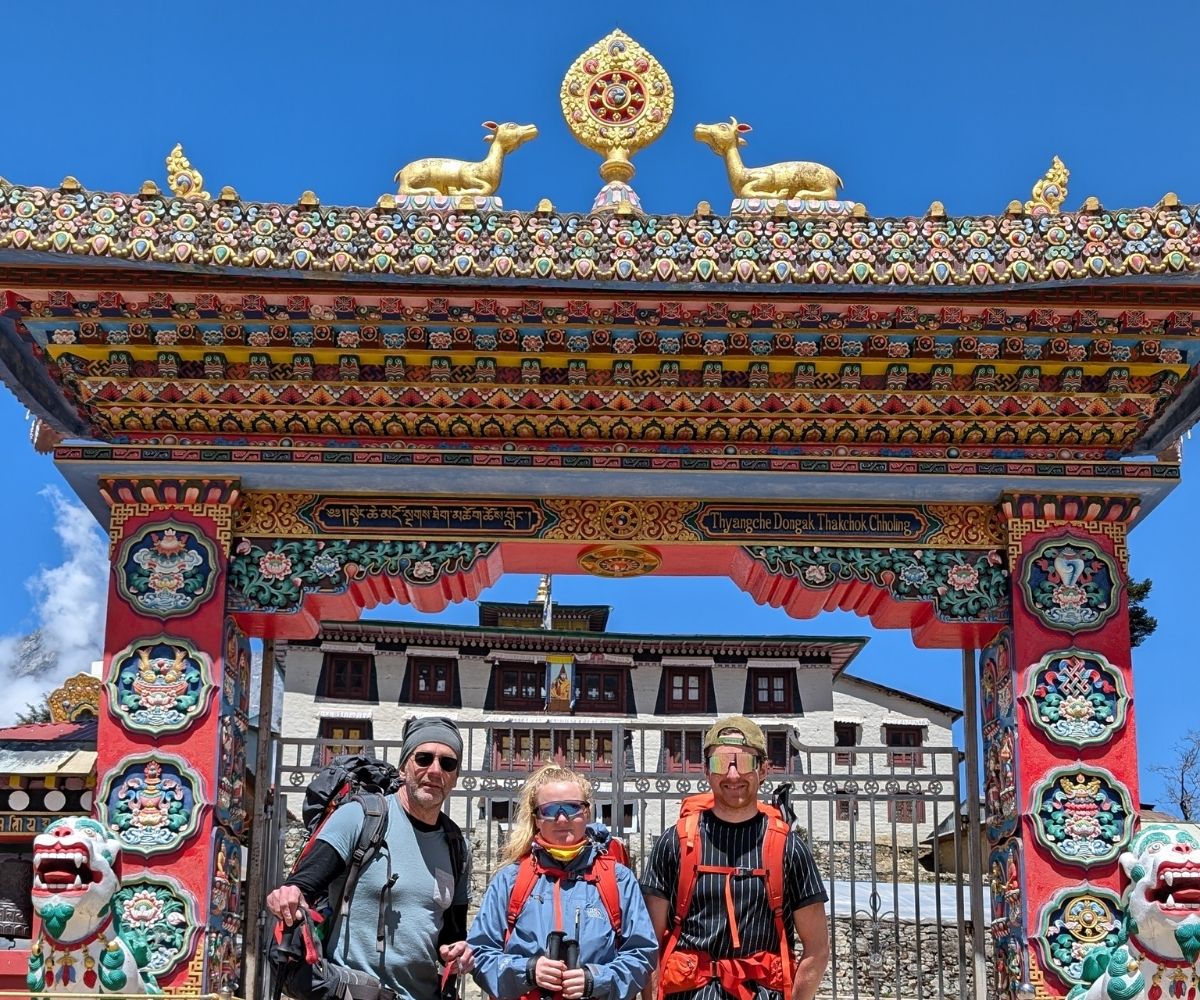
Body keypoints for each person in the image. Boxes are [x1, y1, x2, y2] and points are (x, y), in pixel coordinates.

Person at [266, 717, 473, 1000]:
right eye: (424, 758)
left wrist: (458, 951)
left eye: (447, 763)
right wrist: (288, 895)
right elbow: (302, 885)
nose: (435, 770)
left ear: (456, 775)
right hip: (355, 992)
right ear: (404, 767)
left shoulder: (455, 846)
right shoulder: (361, 817)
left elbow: (452, 936)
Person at [642, 716, 829, 1000]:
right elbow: (648, 943)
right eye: (720, 764)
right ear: (706, 771)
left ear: (763, 769)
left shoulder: (788, 848)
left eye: (744, 763)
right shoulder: (676, 843)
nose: (732, 775)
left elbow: (816, 947)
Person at [468, 765, 656, 1000]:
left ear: (587, 813)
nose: (561, 818)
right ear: (537, 819)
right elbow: (480, 952)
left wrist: (594, 979)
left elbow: (642, 954)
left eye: (572, 807)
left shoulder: (618, 879)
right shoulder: (511, 880)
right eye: (550, 810)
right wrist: (528, 971)